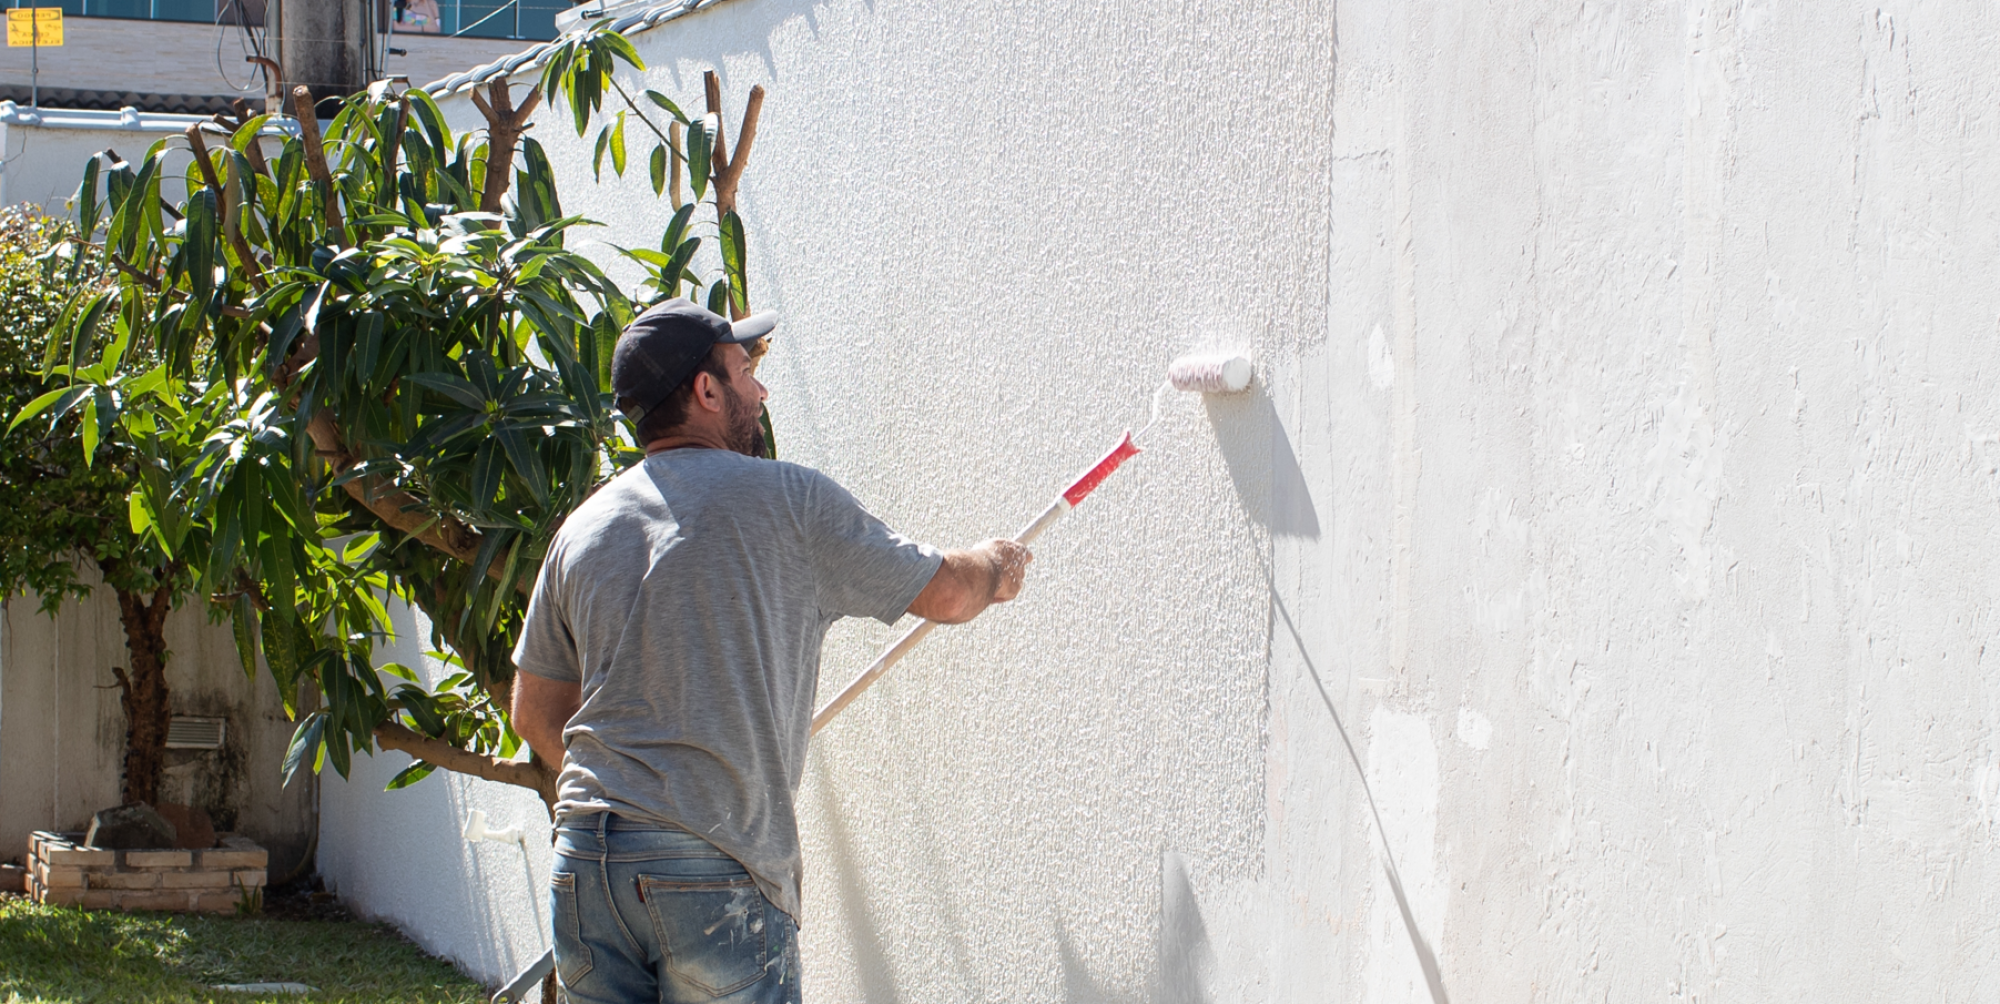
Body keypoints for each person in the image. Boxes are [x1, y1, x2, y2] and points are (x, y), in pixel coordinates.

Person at [510, 298, 1031, 1004]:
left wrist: (637, 785)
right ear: (705, 390)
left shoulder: (584, 528)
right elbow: (944, 595)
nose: (760, 389)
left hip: (586, 860)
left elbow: (535, 714)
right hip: (712, 867)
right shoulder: (787, 500)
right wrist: (994, 567)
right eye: (744, 370)